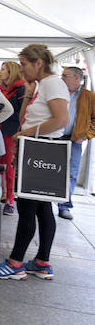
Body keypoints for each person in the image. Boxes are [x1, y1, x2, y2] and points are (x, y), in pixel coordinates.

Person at [0, 44, 68, 280]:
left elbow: (62, 119)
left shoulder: (52, 83)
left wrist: (28, 134)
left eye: (24, 64)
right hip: (38, 149)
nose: (21, 69)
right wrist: (30, 93)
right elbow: (24, 118)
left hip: (42, 151)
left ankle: (15, 263)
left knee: (29, 208)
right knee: (41, 208)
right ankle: (41, 262)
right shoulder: (44, 85)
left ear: (38, 63)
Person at [56, 66, 95, 219]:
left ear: (77, 78)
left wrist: (86, 134)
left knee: (71, 174)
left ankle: (64, 206)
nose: (62, 79)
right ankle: (46, 200)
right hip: (54, 138)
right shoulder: (58, 93)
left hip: (74, 141)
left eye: (65, 76)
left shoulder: (89, 96)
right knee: (50, 170)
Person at [0, 61, 25, 215]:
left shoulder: (20, 90)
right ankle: (1, 194)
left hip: (10, 133)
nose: (0, 72)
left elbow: (22, 113)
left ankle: (10, 200)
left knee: (9, 167)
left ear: (11, 72)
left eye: (3, 69)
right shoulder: (0, 89)